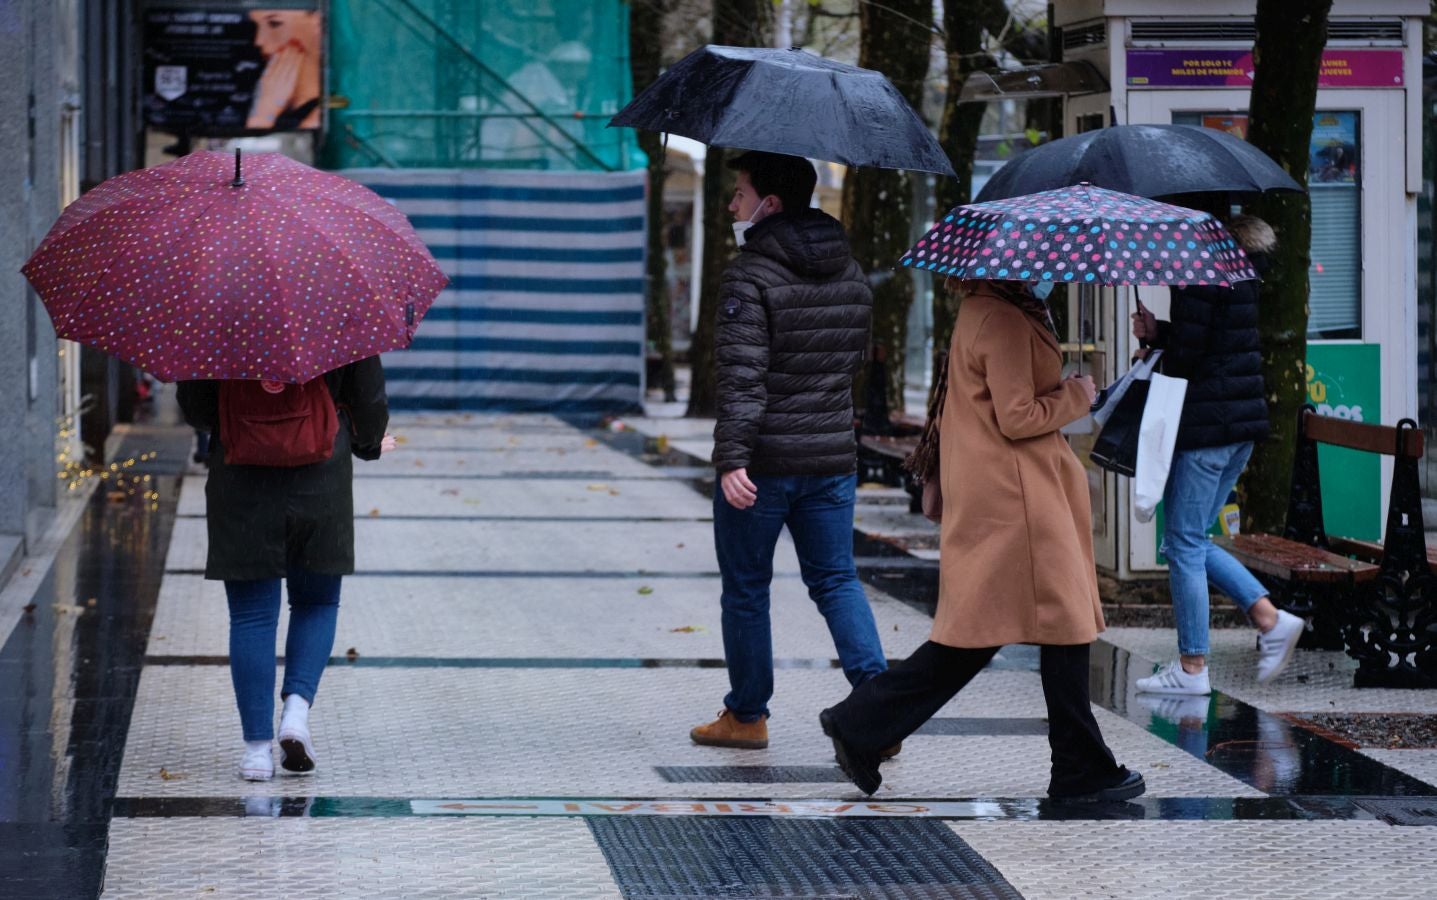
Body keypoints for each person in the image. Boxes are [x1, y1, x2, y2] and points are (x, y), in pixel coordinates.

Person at [819, 279, 1145, 802]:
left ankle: (861, 724)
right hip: (1020, 497)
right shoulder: (1006, 318)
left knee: (979, 634)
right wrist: (1076, 395)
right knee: (1059, 625)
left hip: (1008, 491)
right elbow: (1018, 416)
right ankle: (1079, 767)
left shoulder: (986, 307)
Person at [689, 151, 888, 751]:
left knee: (747, 587)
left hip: (765, 465)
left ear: (770, 204)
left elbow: (742, 377)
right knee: (836, 580)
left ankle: (747, 716)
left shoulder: (750, 274)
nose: (731, 206)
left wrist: (732, 458)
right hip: (829, 460)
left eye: (740, 194)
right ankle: (883, 712)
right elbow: (849, 364)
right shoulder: (849, 270)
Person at [177, 357, 391, 781]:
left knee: (252, 616)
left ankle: (256, 751)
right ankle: (295, 713)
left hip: (240, 479)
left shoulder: (216, 313)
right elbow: (368, 402)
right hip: (321, 477)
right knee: (316, 601)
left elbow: (196, 409)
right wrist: (368, 444)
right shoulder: (340, 304)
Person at [1132, 214, 1303, 695]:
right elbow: (1214, 343)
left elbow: (1190, 355)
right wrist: (1161, 331)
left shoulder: (1201, 273)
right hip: (1236, 428)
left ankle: (1193, 667)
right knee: (1190, 539)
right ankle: (1269, 619)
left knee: (1183, 542)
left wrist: (1157, 339)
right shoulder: (1235, 267)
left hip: (1208, 429)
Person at [246, 9, 323, 131]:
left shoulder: (320, 116)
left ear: (320, 24)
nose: (259, 41)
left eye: (274, 24)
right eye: (255, 26)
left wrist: (263, 117)